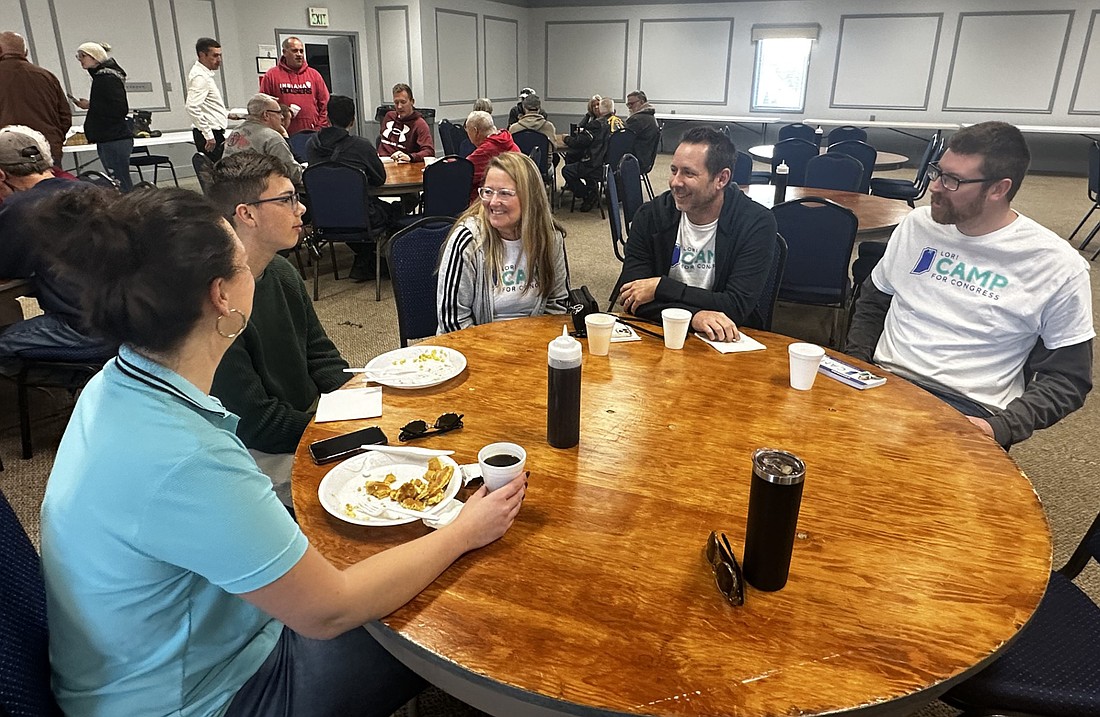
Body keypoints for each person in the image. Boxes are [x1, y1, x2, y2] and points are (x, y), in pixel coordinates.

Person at [34, 184, 526, 717]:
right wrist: (463, 532)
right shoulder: (186, 458)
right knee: (442, 618)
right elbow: (327, 613)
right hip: (207, 696)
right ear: (222, 295)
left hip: (151, 661)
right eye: (243, 262)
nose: (255, 271)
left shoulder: (117, 384)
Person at [846, 121, 1093, 448]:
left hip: (966, 405)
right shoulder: (917, 226)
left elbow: (1068, 379)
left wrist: (1001, 427)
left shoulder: (1055, 264)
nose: (934, 187)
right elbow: (873, 303)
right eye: (938, 172)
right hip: (882, 381)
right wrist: (856, 365)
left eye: (953, 181)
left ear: (998, 189)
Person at [207, 152, 346, 503]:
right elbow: (256, 424)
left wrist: (364, 402)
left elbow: (322, 358)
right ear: (247, 213)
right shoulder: (216, 304)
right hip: (260, 455)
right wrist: (345, 433)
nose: (301, 210)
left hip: (307, 422)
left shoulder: (282, 272)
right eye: (286, 200)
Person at [615, 127, 776, 342]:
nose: (675, 182)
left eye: (688, 173)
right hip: (661, 333)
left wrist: (662, 287)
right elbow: (631, 296)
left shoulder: (756, 223)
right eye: (674, 170)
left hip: (727, 340)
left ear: (721, 179)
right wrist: (692, 316)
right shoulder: (651, 215)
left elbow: (736, 306)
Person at [0, 126, 109, 373]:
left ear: (1, 176)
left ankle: (50, 401)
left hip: (84, 330)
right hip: (133, 322)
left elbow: (5, 266)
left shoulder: (22, 208)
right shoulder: (91, 190)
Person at [437, 152, 569, 332]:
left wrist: (534, 345)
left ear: (530, 198)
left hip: (532, 344)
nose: (493, 202)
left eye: (505, 193)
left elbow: (558, 305)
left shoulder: (550, 239)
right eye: (488, 192)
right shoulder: (468, 241)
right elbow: (452, 321)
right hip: (476, 347)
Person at [306, 95, 401, 280]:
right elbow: (379, 179)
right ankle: (380, 261)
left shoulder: (312, 145)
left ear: (327, 116)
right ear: (353, 120)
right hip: (362, 217)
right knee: (395, 210)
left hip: (323, 218)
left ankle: (364, 259)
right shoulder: (361, 146)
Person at [0, 31, 71, 165]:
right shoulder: (46, 76)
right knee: (53, 185)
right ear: (25, 52)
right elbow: (65, 116)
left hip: (7, 155)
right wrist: (54, 139)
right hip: (46, 149)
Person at [73, 41, 132, 191]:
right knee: (118, 179)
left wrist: (92, 106)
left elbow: (119, 108)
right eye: (78, 56)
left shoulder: (106, 78)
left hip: (113, 137)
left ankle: (129, 208)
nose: (80, 59)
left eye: (83, 56)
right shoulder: (104, 76)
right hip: (110, 136)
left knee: (119, 181)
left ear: (94, 57)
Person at [224, 93, 302, 185]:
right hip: (258, 192)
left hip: (230, 189)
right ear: (266, 115)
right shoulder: (272, 138)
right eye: (279, 112)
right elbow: (294, 175)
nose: (281, 117)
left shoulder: (236, 131)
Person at [259, 37, 329, 134]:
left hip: (312, 134)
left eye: (301, 51)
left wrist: (320, 127)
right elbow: (263, 105)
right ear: (284, 52)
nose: (299, 55)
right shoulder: (271, 75)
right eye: (295, 51)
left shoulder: (314, 75)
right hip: (282, 134)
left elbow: (325, 104)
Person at [562, 96, 618, 212]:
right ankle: (592, 191)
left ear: (601, 110)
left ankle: (588, 194)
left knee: (567, 170)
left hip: (596, 165)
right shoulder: (620, 124)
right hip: (614, 166)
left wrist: (566, 138)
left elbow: (578, 142)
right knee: (576, 160)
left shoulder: (596, 125)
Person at [185, 37, 228, 161]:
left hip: (212, 132)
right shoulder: (200, 77)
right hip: (210, 134)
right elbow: (192, 107)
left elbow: (208, 107)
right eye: (215, 56)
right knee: (217, 174)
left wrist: (228, 114)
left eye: (220, 55)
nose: (219, 60)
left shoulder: (204, 75)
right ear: (202, 55)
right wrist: (208, 135)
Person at [464, 110, 520, 203]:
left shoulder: (487, 150)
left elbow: (463, 173)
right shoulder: (505, 139)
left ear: (475, 131)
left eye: (468, 131)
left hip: (491, 201)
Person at [377, 82, 434, 162]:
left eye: (403, 102)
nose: (399, 106)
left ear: (412, 101)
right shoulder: (389, 116)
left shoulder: (419, 124)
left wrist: (410, 157)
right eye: (396, 103)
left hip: (401, 165)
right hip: (381, 162)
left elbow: (429, 152)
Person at [625, 90, 659, 173]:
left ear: (642, 102)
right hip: (646, 160)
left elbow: (624, 139)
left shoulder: (637, 120)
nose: (629, 107)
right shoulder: (650, 117)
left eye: (631, 104)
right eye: (628, 104)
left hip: (636, 161)